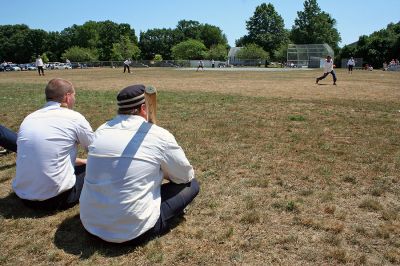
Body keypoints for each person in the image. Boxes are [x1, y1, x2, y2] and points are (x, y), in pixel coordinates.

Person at [80, 84, 199, 244]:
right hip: (134, 231)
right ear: (144, 108)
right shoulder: (158, 135)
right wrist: (160, 171)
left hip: (91, 225)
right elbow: (185, 176)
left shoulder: (101, 130)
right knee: (192, 185)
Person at [11, 78, 94, 210]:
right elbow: (95, 151)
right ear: (67, 97)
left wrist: (83, 161)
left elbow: (47, 155)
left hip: (24, 197)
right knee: (96, 168)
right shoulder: (74, 117)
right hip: (57, 199)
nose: (74, 99)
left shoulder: (29, 118)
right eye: (74, 95)